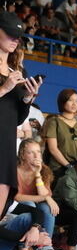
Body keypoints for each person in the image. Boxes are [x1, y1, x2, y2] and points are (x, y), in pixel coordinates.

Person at [0, 11, 42, 216]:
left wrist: (27, 98)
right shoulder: (11, 79)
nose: (15, 40)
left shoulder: (18, 72)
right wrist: (4, 88)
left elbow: (17, 118)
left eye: (18, 37)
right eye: (9, 34)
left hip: (6, 147)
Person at [15, 138, 59, 242]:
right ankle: (26, 246)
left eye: (38, 152)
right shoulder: (14, 170)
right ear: (22, 155)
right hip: (17, 205)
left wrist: (37, 174)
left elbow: (44, 194)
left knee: (47, 209)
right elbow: (17, 196)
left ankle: (45, 245)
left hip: (37, 204)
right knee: (30, 204)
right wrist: (46, 197)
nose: (36, 156)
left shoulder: (44, 170)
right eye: (31, 152)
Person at [42, 89, 77, 178]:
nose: (74, 104)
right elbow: (53, 149)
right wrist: (68, 166)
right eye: (70, 100)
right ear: (62, 101)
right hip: (58, 168)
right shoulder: (54, 121)